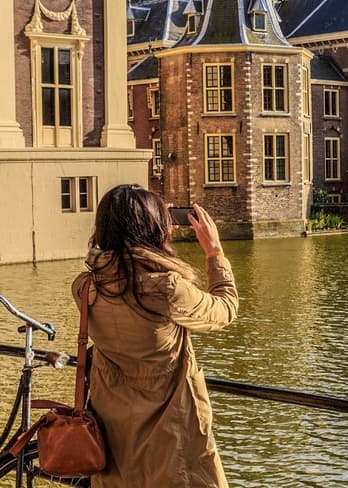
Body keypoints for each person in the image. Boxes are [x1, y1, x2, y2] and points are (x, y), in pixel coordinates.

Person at [73, 185, 239, 488]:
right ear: (153, 229)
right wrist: (214, 252)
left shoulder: (85, 289)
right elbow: (225, 310)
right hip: (171, 437)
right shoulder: (167, 288)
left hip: (114, 437)